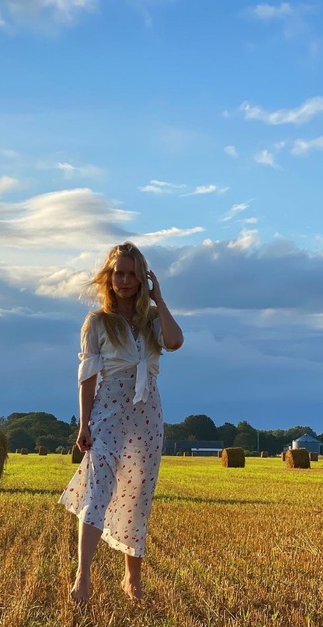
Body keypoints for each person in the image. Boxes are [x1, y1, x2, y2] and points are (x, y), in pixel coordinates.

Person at [58, 241, 184, 602]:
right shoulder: (97, 322)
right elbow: (87, 377)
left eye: (131, 274)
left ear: (142, 278)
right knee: (98, 491)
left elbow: (174, 342)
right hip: (109, 410)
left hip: (147, 413)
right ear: (108, 278)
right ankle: (82, 579)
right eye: (118, 274)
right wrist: (84, 424)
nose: (124, 281)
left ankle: (132, 579)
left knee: (138, 493)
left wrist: (159, 301)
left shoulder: (151, 321)